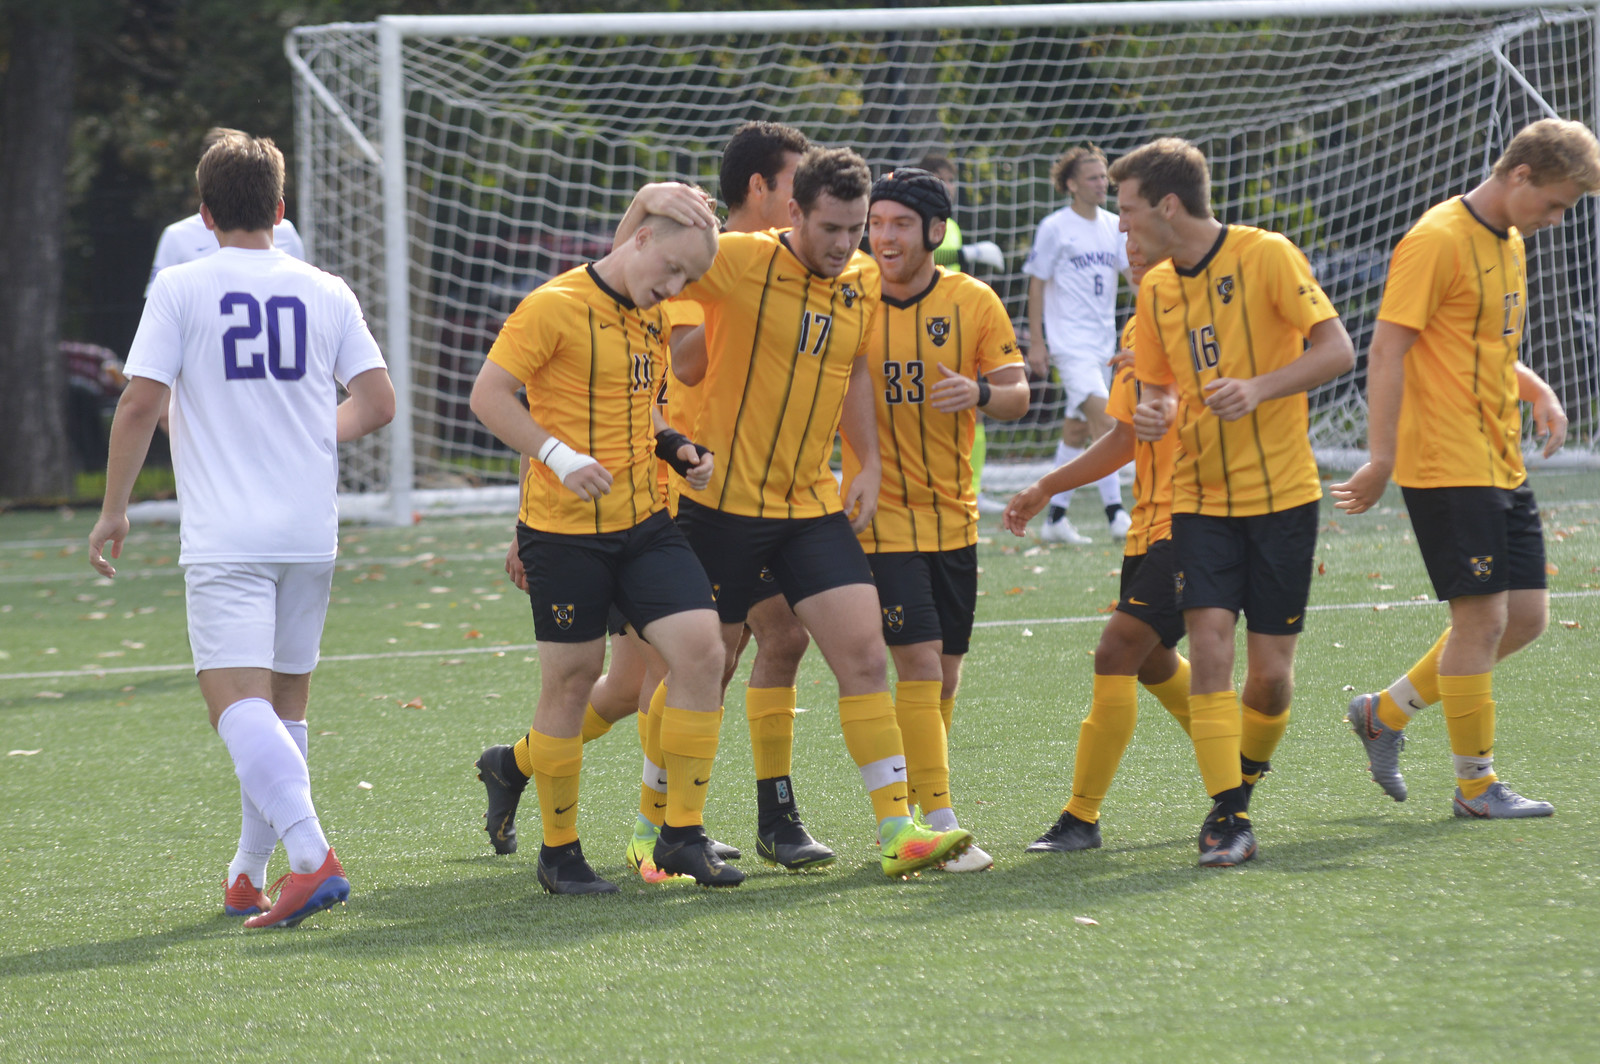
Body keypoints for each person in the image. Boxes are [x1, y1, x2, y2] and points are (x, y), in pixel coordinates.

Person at [87, 132, 395, 928]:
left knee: (232, 704)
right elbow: (378, 400)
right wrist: (312, 430)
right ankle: (247, 872)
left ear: (205, 213)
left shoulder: (183, 285)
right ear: (280, 210)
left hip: (229, 534)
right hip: (307, 531)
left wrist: (115, 508)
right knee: (282, 705)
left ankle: (310, 855)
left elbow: (138, 402)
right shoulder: (326, 288)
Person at [658, 146, 975, 877]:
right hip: (722, 508)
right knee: (701, 668)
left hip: (808, 504)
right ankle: (663, 827)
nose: (845, 244)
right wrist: (648, 204)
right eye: (830, 227)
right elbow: (636, 277)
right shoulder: (735, 260)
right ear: (794, 212)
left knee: (863, 656)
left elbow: (856, 365)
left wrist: (867, 462)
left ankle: (899, 832)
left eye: (856, 228)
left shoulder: (862, 278)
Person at [469, 187, 745, 894]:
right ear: (642, 241)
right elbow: (490, 396)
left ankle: (680, 833)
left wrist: (677, 446)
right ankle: (559, 854)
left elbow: (644, 405)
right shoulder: (553, 305)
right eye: (673, 272)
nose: (676, 290)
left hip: (645, 525)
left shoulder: (648, 314)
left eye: (689, 281)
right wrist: (558, 457)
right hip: (563, 533)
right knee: (570, 678)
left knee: (702, 652)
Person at [1332, 118, 1600, 817]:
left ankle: (1384, 712)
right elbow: (1387, 351)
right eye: (1556, 203)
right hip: (1444, 461)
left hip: (1498, 456)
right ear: (1520, 176)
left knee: (1527, 619)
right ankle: (1476, 787)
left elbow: (1479, 343)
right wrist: (1381, 457)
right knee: (1480, 620)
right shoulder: (1435, 239)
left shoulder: (1509, 239)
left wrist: (1533, 386)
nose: (1555, 219)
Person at [1118, 136, 1355, 867]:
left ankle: (1241, 789)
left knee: (1271, 674)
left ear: (1167, 204)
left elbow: (1338, 350)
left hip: (1283, 497)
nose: (1120, 228)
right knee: (1211, 648)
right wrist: (1155, 410)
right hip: (1198, 497)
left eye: (1127, 212)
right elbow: (1157, 384)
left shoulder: (1268, 254)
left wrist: (1258, 387)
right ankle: (1227, 816)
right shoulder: (1157, 286)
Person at [847, 167, 1030, 871]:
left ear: (933, 231)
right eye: (876, 223)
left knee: (945, 676)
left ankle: (923, 805)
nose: (882, 237)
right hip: (879, 516)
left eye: (897, 224)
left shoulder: (973, 301)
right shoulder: (850, 294)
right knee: (918, 664)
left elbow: (1016, 394)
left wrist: (979, 390)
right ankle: (939, 822)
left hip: (952, 518)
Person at [1006, 235, 1196, 852]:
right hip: (1148, 522)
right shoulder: (1140, 322)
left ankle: (1081, 817)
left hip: (1199, 517)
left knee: (1115, 651)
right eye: (1126, 236)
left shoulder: (1210, 305)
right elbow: (1122, 441)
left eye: (1138, 228)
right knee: (1151, 660)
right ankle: (1240, 744)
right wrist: (1045, 487)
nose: (1129, 246)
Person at [1024, 146, 1132, 545]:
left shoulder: (1113, 224)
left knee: (1077, 430)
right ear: (1071, 185)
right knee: (1108, 422)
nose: (1102, 183)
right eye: (1092, 177)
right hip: (1069, 345)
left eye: (1104, 176)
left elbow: (1134, 277)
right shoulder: (1055, 227)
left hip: (1105, 342)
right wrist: (1038, 342)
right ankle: (1116, 514)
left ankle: (1054, 518)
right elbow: (1036, 282)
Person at [147, 127, 306, 295]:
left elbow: (302, 292)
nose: (233, 177)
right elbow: (158, 301)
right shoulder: (177, 236)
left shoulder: (286, 234)